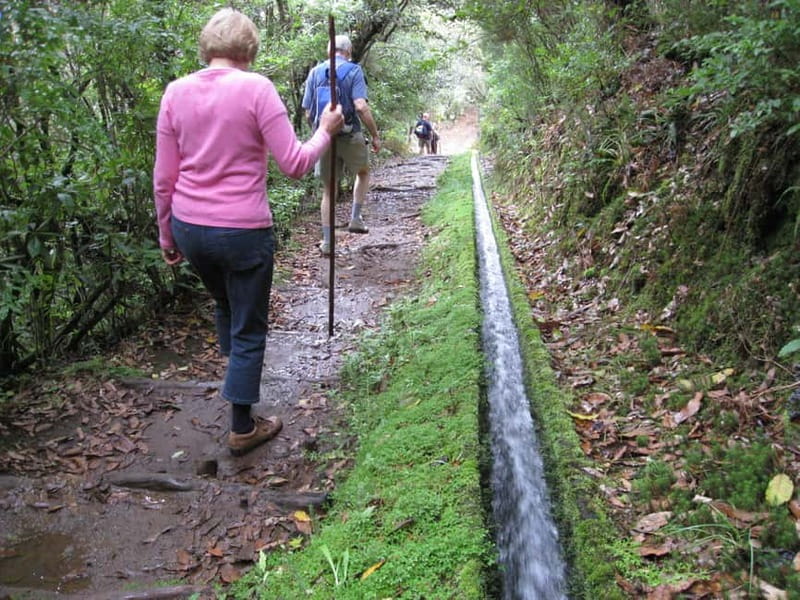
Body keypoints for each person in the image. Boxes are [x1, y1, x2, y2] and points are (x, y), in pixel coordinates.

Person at [153, 8, 343, 456]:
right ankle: (242, 425)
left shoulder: (175, 92)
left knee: (225, 301)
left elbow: (164, 177)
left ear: (206, 47)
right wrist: (325, 131)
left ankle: (234, 367)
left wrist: (166, 235)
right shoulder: (257, 88)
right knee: (249, 326)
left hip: (190, 227)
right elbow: (296, 165)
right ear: (249, 49)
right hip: (241, 230)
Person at [302, 34, 381, 256]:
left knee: (329, 190)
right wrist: (374, 135)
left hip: (325, 138)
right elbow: (360, 106)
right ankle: (355, 218)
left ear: (329, 51)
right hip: (350, 134)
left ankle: (327, 242)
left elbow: (309, 112)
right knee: (363, 172)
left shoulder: (315, 73)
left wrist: (321, 132)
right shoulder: (354, 70)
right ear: (348, 51)